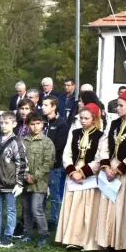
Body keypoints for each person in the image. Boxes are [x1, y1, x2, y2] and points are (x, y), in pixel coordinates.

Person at [95, 89, 126, 252]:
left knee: (123, 207)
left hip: (125, 171)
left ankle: (121, 245)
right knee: (107, 206)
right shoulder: (114, 123)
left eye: (121, 105)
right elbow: (105, 145)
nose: (117, 108)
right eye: (117, 105)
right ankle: (106, 242)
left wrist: (120, 168)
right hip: (110, 168)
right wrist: (106, 166)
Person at [56, 104, 108, 251]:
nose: (83, 121)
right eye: (81, 118)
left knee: (87, 209)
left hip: (89, 176)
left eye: (86, 118)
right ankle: (71, 238)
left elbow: (99, 158)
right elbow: (66, 154)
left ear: (94, 119)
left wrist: (83, 172)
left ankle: (86, 240)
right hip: (73, 174)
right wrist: (72, 172)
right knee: (72, 207)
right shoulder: (74, 133)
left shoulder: (100, 136)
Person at [0, 111, 27, 248]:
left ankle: (8, 235)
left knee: (11, 210)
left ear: (14, 124)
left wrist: (19, 183)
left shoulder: (17, 142)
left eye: (6, 123)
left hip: (10, 182)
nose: (3, 125)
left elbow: (22, 163)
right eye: (1, 123)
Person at [21, 112, 53, 247]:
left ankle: (43, 234)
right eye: (32, 124)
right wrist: (25, 175)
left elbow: (48, 163)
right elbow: (20, 160)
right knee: (26, 208)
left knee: (36, 208)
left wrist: (34, 177)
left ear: (42, 124)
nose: (35, 127)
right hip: (24, 181)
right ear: (27, 125)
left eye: (38, 124)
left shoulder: (47, 142)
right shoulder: (23, 141)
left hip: (39, 182)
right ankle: (27, 233)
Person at [42, 96, 69, 228]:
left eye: (46, 105)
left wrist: (44, 151)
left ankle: (54, 218)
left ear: (54, 107)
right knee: (40, 192)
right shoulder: (41, 122)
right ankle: (39, 217)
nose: (43, 107)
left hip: (54, 164)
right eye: (43, 104)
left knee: (54, 193)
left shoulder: (61, 124)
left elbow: (59, 145)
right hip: (39, 165)